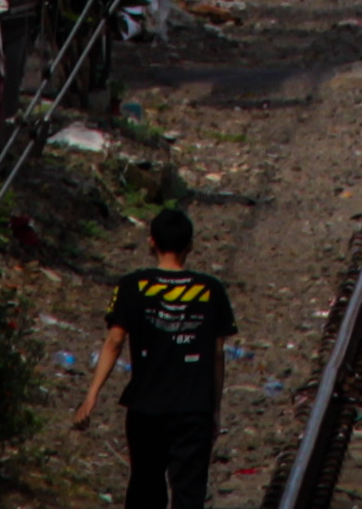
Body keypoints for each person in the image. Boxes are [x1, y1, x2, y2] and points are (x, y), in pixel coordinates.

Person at [71, 204, 238, 509]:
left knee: (146, 487)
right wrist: (214, 408)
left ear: (151, 242)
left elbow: (114, 342)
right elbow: (216, 354)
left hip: (146, 408)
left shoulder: (133, 286)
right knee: (189, 494)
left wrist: (92, 395)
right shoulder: (211, 290)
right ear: (190, 246)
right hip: (193, 409)